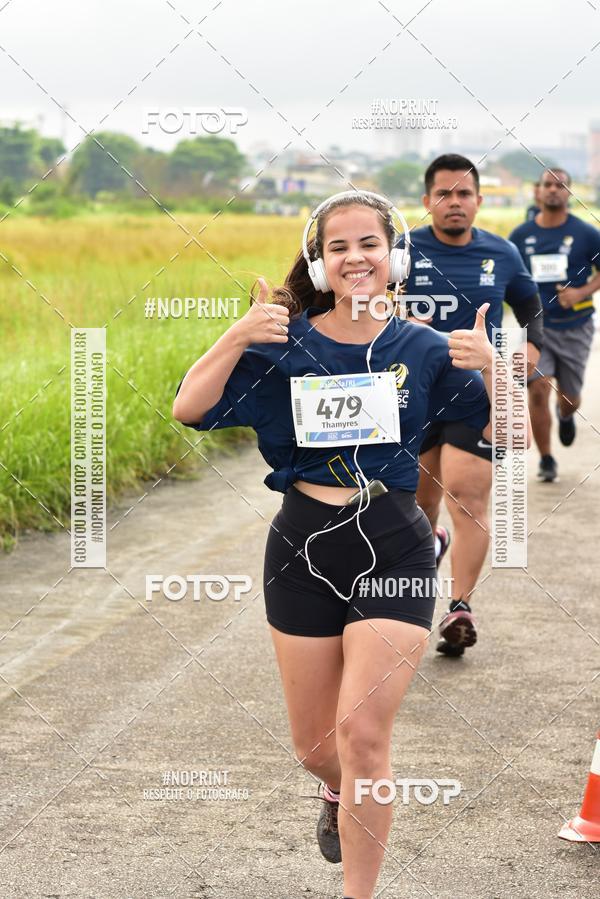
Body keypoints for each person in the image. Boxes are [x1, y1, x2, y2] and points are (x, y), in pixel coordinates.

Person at [173, 191, 507, 899]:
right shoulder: (285, 344)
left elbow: (508, 440)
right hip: (301, 546)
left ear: (397, 257)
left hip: (395, 545)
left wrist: (494, 368)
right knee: (318, 750)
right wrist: (236, 334)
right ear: (320, 263)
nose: (355, 257)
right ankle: (334, 792)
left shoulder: (423, 346)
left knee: (363, 741)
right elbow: (189, 407)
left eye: (369, 244)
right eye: (338, 247)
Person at [396, 154, 543, 658]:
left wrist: (532, 346)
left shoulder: (501, 253)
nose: (454, 203)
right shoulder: (400, 252)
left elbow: (529, 303)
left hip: (473, 397)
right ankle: (428, 552)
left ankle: (459, 607)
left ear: (478, 200)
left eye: (463, 194)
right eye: (443, 194)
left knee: (466, 498)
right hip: (409, 399)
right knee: (416, 506)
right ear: (426, 201)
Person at [510, 167, 600, 483]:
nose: (553, 190)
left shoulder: (588, 234)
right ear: (539, 190)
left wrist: (581, 291)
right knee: (537, 389)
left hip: (576, 326)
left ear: (568, 193)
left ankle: (566, 415)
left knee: (570, 396)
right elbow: (507, 276)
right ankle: (547, 459)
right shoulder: (520, 236)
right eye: (548, 184)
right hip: (538, 328)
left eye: (561, 185)